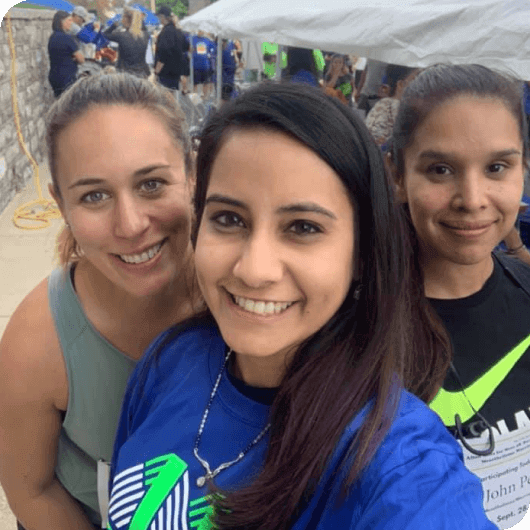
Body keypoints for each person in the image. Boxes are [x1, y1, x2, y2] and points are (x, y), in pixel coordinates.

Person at [107, 82, 495, 529]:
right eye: (229, 219)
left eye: (303, 228)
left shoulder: (396, 458)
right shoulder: (171, 359)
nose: (254, 270)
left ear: (362, 255)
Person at [0, 73, 200, 530]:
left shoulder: (241, 293)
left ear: (191, 174)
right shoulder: (36, 345)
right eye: (94, 195)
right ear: (60, 204)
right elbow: (31, 488)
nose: (130, 225)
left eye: (151, 184)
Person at [390, 63, 530, 529]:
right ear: (397, 173)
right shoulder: (349, 318)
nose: (472, 198)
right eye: (441, 169)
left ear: (523, 170)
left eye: (496, 167)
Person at [365, 64, 418, 150]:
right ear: (401, 84)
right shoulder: (400, 108)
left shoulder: (383, 103)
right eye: (415, 80)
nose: (419, 85)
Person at [104, 8, 150, 78]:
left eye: (123, 18)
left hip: (125, 75)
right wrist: (137, 17)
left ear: (126, 20)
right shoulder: (145, 35)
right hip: (142, 74)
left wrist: (114, 26)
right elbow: (142, 27)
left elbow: (105, 35)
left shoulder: (121, 35)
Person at [47, 10, 84, 98]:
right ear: (61, 22)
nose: (71, 23)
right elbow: (81, 59)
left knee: (59, 103)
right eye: (69, 20)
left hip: (54, 76)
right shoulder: (67, 38)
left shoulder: (52, 37)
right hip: (67, 77)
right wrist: (74, 58)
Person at [155, 5, 187, 91]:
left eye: (159, 17)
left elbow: (164, 53)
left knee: (165, 97)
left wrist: (156, 71)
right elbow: (186, 47)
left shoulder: (166, 32)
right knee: (172, 96)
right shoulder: (178, 31)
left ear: (162, 17)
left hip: (166, 72)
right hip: (176, 71)